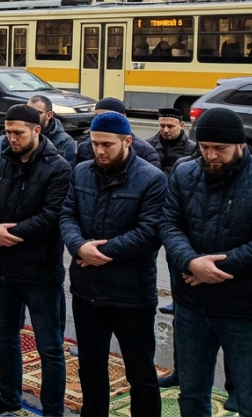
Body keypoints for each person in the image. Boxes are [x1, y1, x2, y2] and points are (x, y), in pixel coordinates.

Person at [162, 107, 252, 417]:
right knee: (192, 395)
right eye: (205, 148)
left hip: (245, 310)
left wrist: (213, 269)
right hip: (192, 305)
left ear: (241, 145)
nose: (211, 156)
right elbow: (169, 224)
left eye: (220, 149)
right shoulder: (184, 172)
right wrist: (192, 263)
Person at [59, 111, 167, 417]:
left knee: (140, 373)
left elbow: (149, 233)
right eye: (95, 143)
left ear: (127, 141)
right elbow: (67, 215)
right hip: (86, 290)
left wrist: (99, 253)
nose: (100, 150)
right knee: (90, 368)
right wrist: (79, 246)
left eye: (107, 144)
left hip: (130, 294)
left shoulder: (151, 179)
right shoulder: (80, 172)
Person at [0, 104, 71, 417]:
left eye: (18, 133)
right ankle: (8, 397)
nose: (12, 139)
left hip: (40, 270)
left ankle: (53, 410)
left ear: (36, 131)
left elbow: (52, 217)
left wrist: (9, 232)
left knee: (50, 348)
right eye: (8, 132)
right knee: (5, 338)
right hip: (3, 267)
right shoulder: (0, 160)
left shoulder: (57, 167)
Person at [75, 97, 163, 169]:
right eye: (98, 116)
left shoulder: (146, 152)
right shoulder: (84, 147)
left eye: (111, 117)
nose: (100, 151)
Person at [148, 107, 197, 175]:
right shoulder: (148, 146)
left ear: (181, 126)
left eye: (170, 126)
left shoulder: (193, 149)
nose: (165, 130)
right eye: (162, 126)